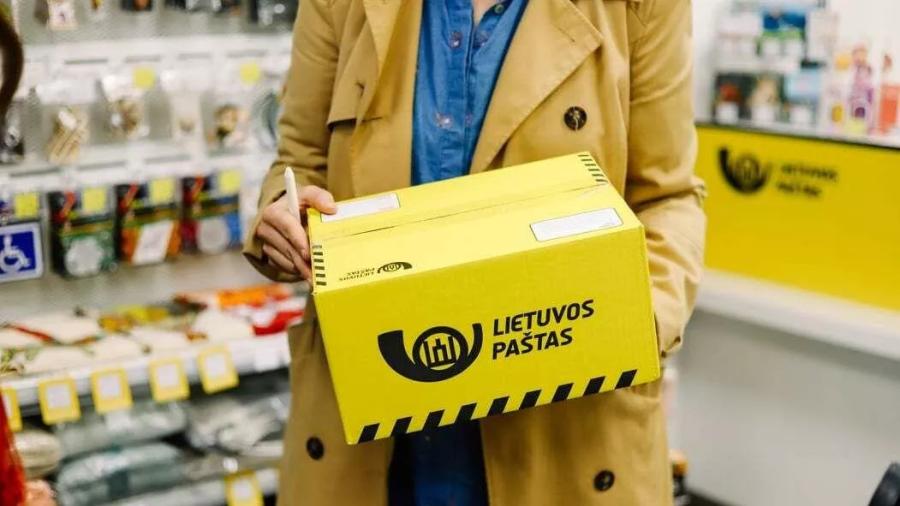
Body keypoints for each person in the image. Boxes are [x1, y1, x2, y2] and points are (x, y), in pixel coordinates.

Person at [244, 0, 705, 504]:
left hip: (559, 416)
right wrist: (284, 215)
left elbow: (667, 196)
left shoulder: (639, 8)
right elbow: (299, 163)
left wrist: (631, 323)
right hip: (372, 422)